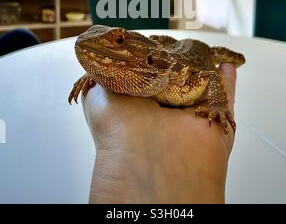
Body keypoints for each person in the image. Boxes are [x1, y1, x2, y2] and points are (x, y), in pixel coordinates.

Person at [82, 63, 237, 204]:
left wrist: (218, 103)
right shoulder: (140, 76)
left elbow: (211, 75)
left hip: (195, 59)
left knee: (233, 59)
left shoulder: (179, 77)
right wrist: (96, 72)